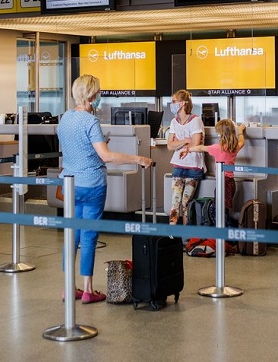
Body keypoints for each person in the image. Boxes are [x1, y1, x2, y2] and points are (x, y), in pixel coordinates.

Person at [57, 74, 153, 304]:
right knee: (89, 236)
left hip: (70, 184)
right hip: (91, 184)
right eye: (98, 92)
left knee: (72, 235)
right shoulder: (90, 121)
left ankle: (69, 287)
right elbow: (106, 157)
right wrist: (138, 158)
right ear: (91, 95)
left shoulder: (65, 118)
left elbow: (75, 149)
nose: (100, 96)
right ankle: (88, 290)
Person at [181, 119, 246, 215]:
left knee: (218, 211)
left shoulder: (217, 148)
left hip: (221, 182)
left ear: (221, 134)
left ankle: (223, 225)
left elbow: (200, 148)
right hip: (230, 182)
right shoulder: (234, 147)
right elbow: (242, 141)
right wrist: (240, 131)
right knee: (224, 211)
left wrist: (187, 150)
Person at [167, 89, 205, 225]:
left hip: (193, 167)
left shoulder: (196, 121)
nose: (171, 104)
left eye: (174, 101)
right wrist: (185, 140)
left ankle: (186, 235)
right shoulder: (174, 122)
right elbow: (169, 146)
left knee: (186, 204)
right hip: (178, 166)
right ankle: (172, 233)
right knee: (175, 203)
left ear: (182, 103)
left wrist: (179, 142)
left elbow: (195, 143)